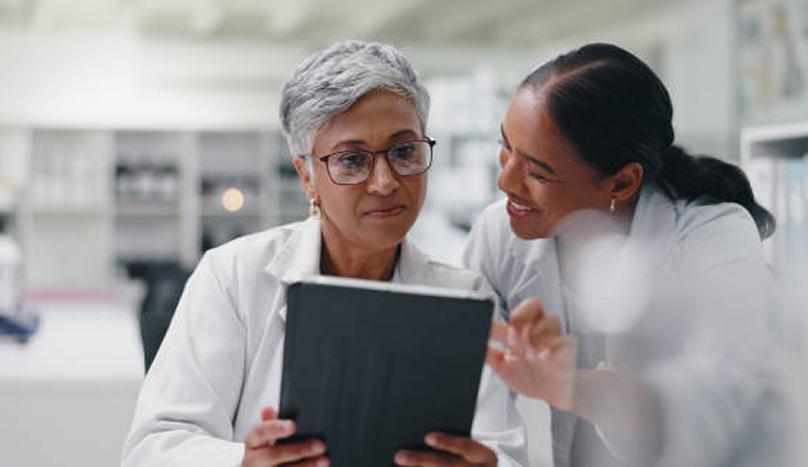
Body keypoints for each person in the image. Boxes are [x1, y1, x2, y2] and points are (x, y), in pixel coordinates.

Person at [122, 40, 528, 467]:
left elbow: (504, 453)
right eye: (353, 160)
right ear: (307, 177)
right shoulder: (234, 277)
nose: (385, 181)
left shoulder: (465, 298)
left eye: (404, 151)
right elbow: (154, 448)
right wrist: (244, 461)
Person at [463, 43, 776, 467]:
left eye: (537, 172)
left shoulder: (712, 236)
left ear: (622, 182)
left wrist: (574, 387)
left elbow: (715, 408)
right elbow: (482, 418)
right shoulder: (498, 234)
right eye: (506, 148)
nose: (505, 181)